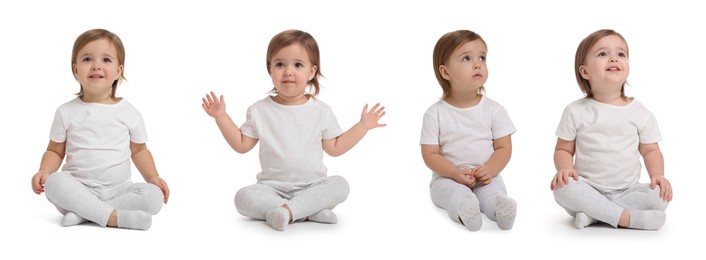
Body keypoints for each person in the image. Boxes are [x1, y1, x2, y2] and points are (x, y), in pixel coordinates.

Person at [202, 29, 386, 231]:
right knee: (242, 198)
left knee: (341, 185)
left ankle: (290, 212)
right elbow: (241, 145)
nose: (288, 71)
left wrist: (363, 126)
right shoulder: (258, 110)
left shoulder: (321, 111)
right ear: (270, 68)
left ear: (311, 72)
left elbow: (335, 148)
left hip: (312, 187)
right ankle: (307, 212)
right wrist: (221, 117)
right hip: (271, 189)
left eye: (298, 65)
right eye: (280, 64)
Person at [31, 29, 169, 231]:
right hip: (77, 188)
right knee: (54, 182)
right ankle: (113, 218)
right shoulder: (65, 112)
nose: (96, 65)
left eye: (106, 60)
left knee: (154, 197)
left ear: (119, 71)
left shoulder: (129, 112)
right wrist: (44, 171)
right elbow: (54, 150)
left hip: (118, 191)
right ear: (76, 69)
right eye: (87, 59)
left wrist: (153, 177)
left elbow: (139, 151)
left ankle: (84, 214)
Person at [550, 29, 672, 230]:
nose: (614, 58)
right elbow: (563, 149)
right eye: (603, 54)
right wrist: (565, 170)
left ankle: (594, 214)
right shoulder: (575, 111)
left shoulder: (640, 112)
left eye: (621, 54)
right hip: (587, 187)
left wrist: (657, 176)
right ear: (585, 72)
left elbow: (651, 150)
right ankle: (626, 218)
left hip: (628, 191)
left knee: (659, 196)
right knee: (562, 188)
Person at [420, 30, 517, 231]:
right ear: (446, 72)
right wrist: (454, 172)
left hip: (486, 176)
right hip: (446, 177)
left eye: (482, 57)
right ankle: (466, 213)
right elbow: (430, 155)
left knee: (492, 193)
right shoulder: (434, 114)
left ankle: (500, 212)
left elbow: (504, 148)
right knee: (453, 195)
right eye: (466, 58)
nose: (477, 64)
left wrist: (489, 170)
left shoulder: (494, 110)